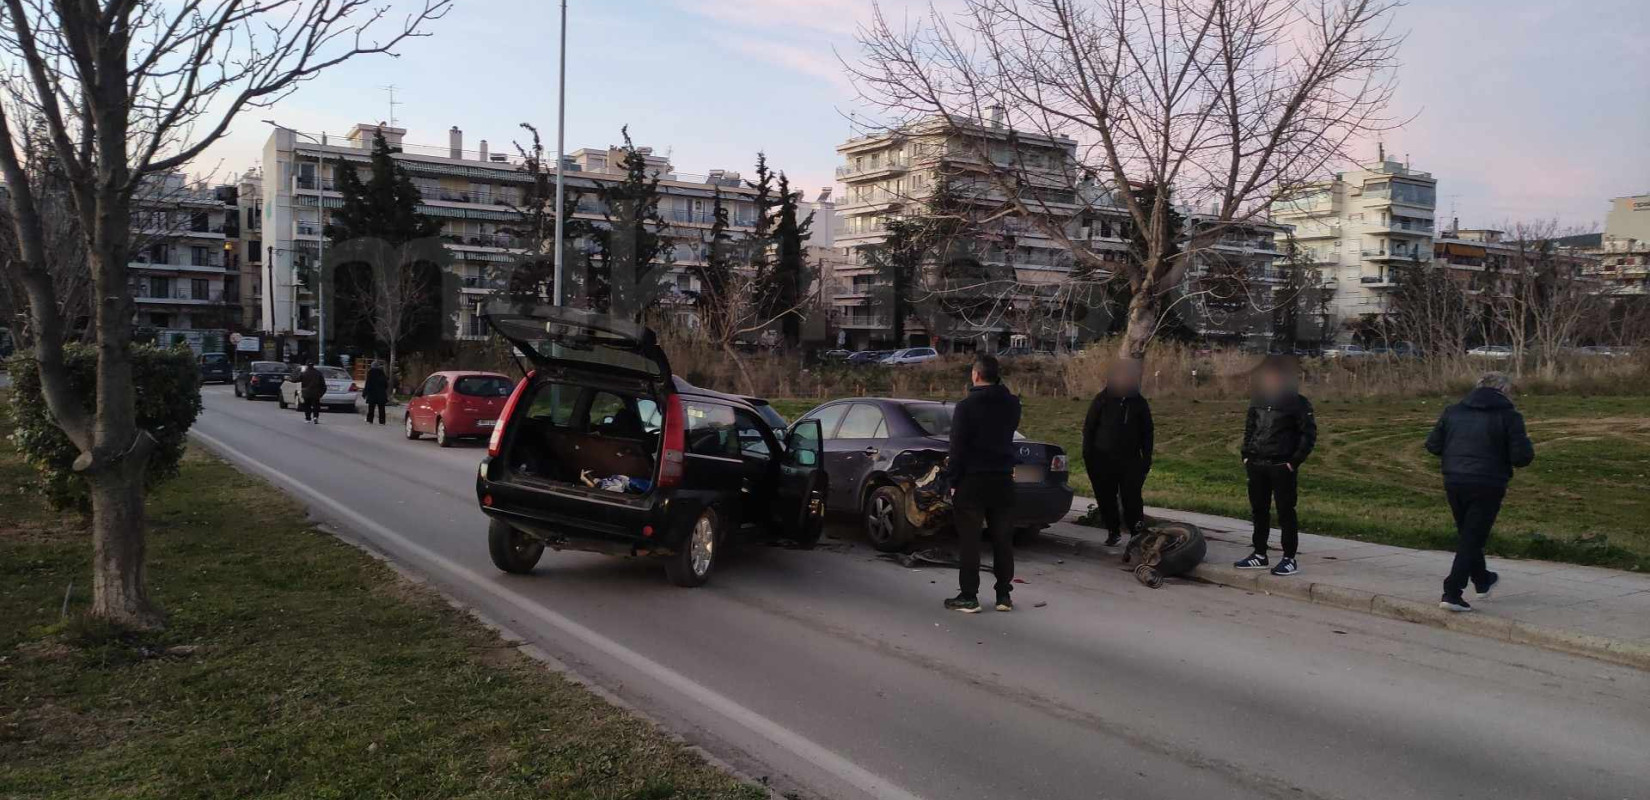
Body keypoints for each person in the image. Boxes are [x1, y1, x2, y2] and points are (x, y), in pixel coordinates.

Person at [1425, 372, 1535, 613]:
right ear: (1504, 391)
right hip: (1488, 481)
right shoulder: (1510, 416)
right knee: (1472, 537)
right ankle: (1452, 591)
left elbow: (1433, 445)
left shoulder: (1453, 411)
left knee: (1468, 534)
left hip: (1454, 479)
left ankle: (1482, 578)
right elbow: (1521, 457)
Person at [943, 354, 1022, 614]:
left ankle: (969, 596)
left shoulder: (966, 407)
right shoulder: (1012, 404)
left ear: (976, 375)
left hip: (972, 480)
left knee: (970, 540)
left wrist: (952, 480)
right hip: (1002, 478)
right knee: (1002, 538)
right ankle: (1003, 595)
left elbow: (957, 448)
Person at [1234, 355, 1317, 576]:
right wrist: (1246, 455)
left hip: (1282, 465)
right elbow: (1250, 428)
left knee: (1285, 512)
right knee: (1259, 511)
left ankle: (1289, 558)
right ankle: (1259, 553)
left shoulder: (1298, 403)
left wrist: (1292, 462)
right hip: (1257, 463)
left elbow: (1308, 435)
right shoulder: (1258, 400)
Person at [1081, 359, 1154, 547]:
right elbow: (1089, 428)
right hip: (1102, 459)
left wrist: (1146, 460)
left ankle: (1136, 532)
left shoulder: (1139, 403)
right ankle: (1113, 530)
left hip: (1130, 460)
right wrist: (1088, 456)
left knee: (1132, 498)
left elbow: (1148, 432)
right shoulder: (1102, 399)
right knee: (1106, 497)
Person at [363, 360, 389, 425]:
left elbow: (368, 384)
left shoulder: (370, 373)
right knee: (382, 408)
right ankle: (382, 421)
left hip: (372, 393)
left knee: (371, 408)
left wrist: (365, 393)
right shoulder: (382, 373)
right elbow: (386, 384)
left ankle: (370, 420)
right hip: (381, 393)